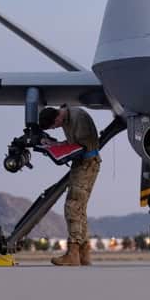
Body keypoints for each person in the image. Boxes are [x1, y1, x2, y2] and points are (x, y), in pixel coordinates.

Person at [38, 104, 101, 266]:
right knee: (79, 209)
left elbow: (82, 145)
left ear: (57, 118)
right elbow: (76, 142)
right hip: (82, 164)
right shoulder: (69, 118)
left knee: (72, 206)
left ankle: (73, 253)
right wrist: (58, 144)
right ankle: (83, 254)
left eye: (54, 126)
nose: (56, 128)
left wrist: (62, 149)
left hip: (87, 164)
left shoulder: (78, 117)